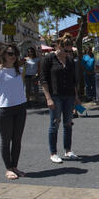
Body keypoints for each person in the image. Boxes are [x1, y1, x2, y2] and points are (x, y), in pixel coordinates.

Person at [40, 33, 81, 164]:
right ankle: (53, 153)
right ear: (59, 46)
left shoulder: (70, 60)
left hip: (69, 95)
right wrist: (48, 98)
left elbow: (74, 80)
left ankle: (68, 150)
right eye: (66, 50)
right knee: (54, 124)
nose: (68, 53)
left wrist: (76, 97)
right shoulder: (49, 59)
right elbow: (44, 80)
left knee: (68, 124)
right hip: (55, 96)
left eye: (70, 50)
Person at [0, 44, 27, 180]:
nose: (13, 56)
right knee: (6, 140)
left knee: (17, 139)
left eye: (15, 54)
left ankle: (15, 166)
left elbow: (21, 87)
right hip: (4, 109)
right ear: (3, 55)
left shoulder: (20, 70)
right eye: (10, 53)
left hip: (20, 108)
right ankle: (8, 168)